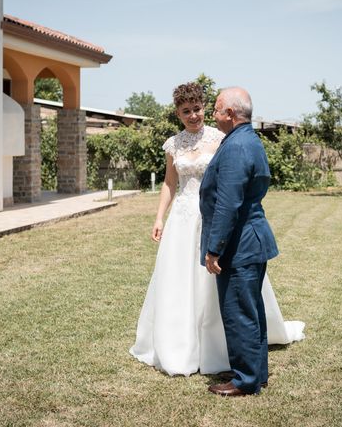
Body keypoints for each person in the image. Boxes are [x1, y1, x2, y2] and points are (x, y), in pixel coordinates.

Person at [130, 82, 303, 377]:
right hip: (184, 220)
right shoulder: (173, 144)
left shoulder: (223, 137)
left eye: (197, 109)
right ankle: (183, 344)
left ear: (205, 108)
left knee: (221, 282)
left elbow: (233, 180)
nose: (194, 116)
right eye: (186, 111)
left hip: (215, 218)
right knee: (179, 281)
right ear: (178, 114)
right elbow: (170, 183)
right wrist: (160, 217)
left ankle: (221, 347)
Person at [200, 87, 279, 396]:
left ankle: (245, 380)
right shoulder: (248, 139)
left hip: (240, 243)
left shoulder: (235, 146)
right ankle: (256, 373)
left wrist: (214, 248)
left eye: (217, 111)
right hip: (251, 238)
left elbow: (228, 203)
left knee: (238, 312)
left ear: (230, 114)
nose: (214, 117)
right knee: (250, 309)